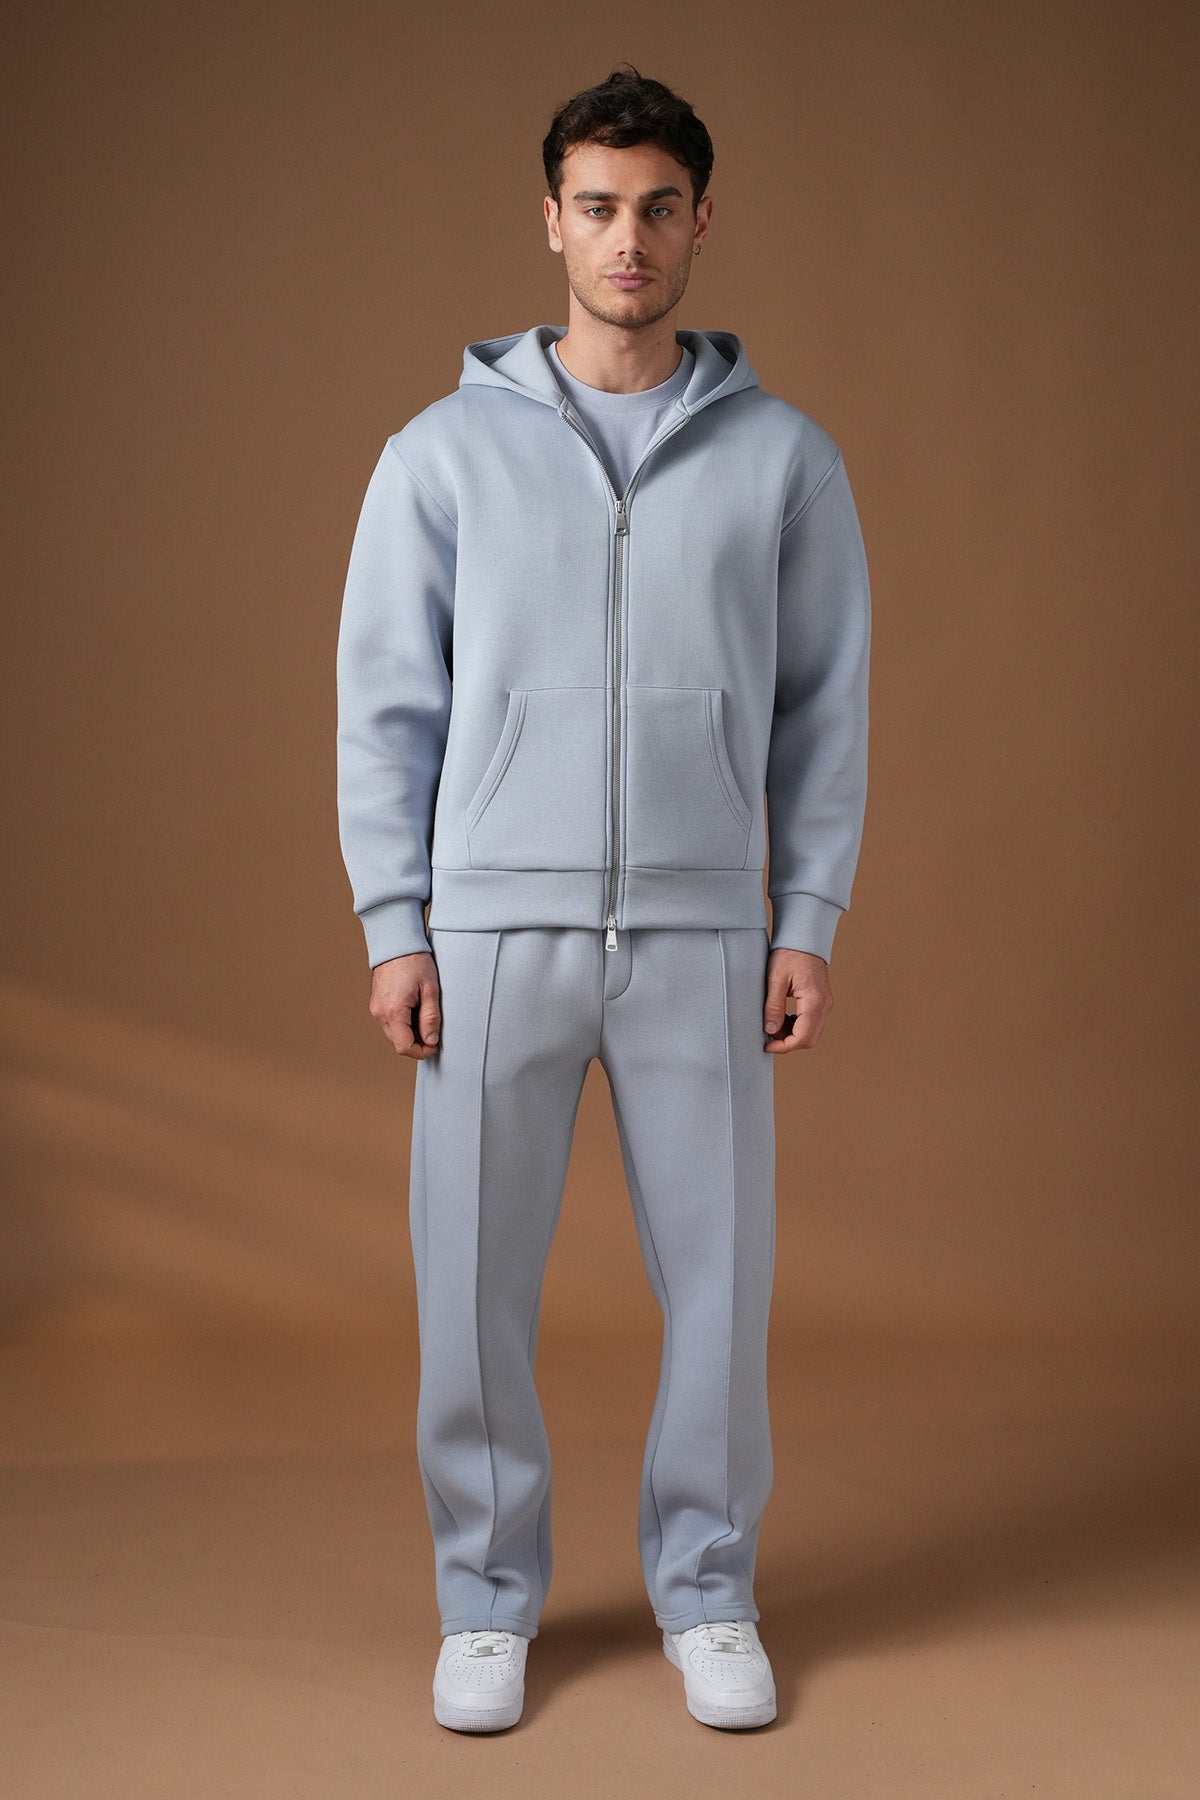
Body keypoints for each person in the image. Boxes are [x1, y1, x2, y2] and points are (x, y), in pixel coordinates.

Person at [335, 64, 871, 1734]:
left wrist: (807, 917)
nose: (625, 237)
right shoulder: (439, 457)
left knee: (722, 1286)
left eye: (656, 208)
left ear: (701, 224)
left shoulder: (786, 461)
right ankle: (484, 1601)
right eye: (596, 207)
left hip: (704, 932)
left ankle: (708, 1592)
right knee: (469, 1285)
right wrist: (397, 926)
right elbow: (385, 703)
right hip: (493, 930)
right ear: (551, 223)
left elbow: (825, 710)